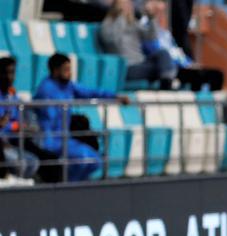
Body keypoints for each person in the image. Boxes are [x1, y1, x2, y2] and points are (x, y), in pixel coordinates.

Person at [33, 53, 130, 182]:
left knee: (94, 161)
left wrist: (114, 96)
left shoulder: (68, 86)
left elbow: (90, 92)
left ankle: (71, 185)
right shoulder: (45, 90)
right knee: (84, 159)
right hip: (50, 140)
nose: (70, 73)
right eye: (66, 70)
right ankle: (66, 185)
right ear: (56, 71)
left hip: (64, 138)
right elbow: (47, 118)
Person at [140, 0, 224, 92]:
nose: (162, 9)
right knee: (199, 76)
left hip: (179, 65)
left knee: (217, 74)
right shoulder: (144, 26)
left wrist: (188, 63)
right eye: (157, 5)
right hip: (167, 67)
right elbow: (154, 49)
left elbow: (175, 50)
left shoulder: (164, 32)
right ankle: (197, 102)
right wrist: (182, 64)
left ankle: (206, 104)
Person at [99, 0, 176, 89]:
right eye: (124, 5)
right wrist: (121, 16)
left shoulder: (133, 23)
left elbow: (152, 37)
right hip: (127, 67)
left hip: (141, 63)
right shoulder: (107, 24)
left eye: (128, 5)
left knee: (163, 53)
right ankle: (167, 84)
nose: (128, 7)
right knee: (164, 68)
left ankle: (167, 82)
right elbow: (115, 40)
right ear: (115, 8)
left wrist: (151, 18)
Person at [0, 56, 40, 180]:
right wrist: (13, 126)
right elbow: (5, 124)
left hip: (14, 139)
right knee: (21, 163)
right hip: (3, 142)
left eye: (12, 73)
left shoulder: (13, 95)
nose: (9, 77)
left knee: (34, 162)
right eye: (5, 73)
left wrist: (24, 127)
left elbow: (17, 119)